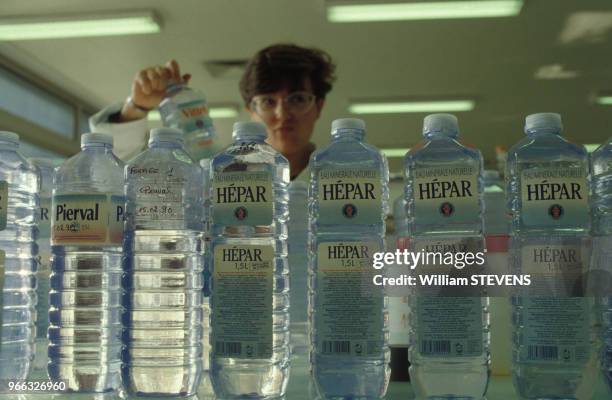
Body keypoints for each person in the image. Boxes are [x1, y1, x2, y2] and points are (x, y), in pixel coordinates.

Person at [90, 44, 336, 181]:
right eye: (268, 102)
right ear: (251, 110)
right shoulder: (219, 175)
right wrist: (138, 107)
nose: (282, 113)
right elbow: (110, 177)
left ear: (319, 106)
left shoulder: (345, 178)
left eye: (298, 99)